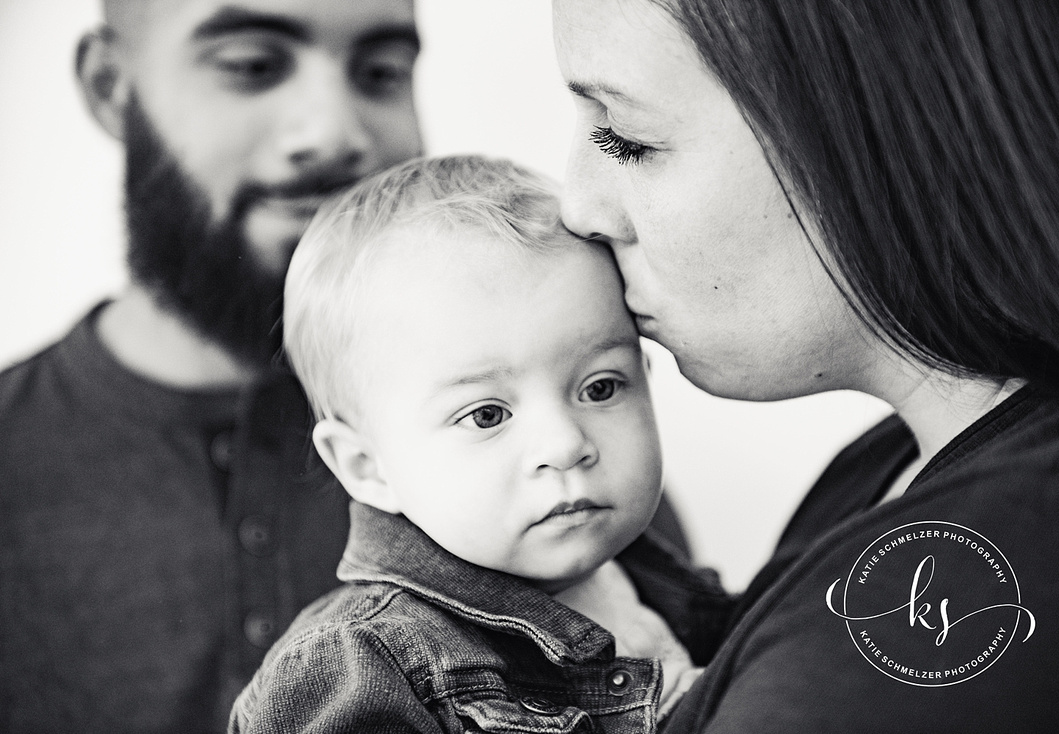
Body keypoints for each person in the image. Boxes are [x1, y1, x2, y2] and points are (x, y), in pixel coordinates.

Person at [553, 0, 1059, 731]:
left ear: (892, 119)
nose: (580, 207)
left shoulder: (997, 561)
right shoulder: (899, 464)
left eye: (627, 139)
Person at [0, 1, 422, 730]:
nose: (335, 134)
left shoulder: (541, 443)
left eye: (380, 73)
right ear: (111, 86)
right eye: (252, 67)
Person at [228, 154, 732, 733]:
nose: (566, 445)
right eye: (487, 414)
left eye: (600, 387)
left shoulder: (656, 580)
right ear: (368, 467)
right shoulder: (361, 667)